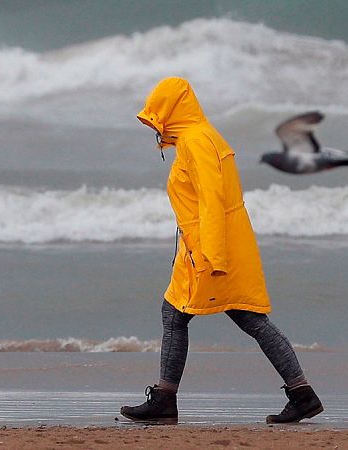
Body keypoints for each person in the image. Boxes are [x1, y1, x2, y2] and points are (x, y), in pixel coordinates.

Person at [120, 77, 323, 424]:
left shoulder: (198, 141)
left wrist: (212, 255)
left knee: (189, 315)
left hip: (211, 247)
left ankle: (166, 399)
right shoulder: (198, 138)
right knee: (241, 318)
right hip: (209, 244)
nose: (155, 125)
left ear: (172, 110)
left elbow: (213, 201)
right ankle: (301, 394)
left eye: (158, 115)